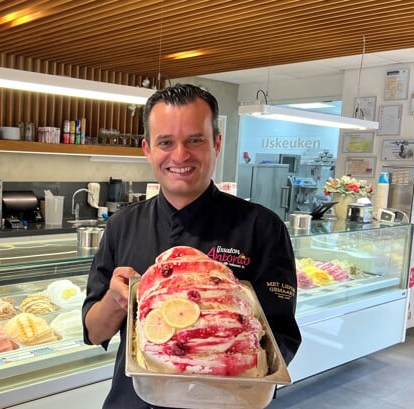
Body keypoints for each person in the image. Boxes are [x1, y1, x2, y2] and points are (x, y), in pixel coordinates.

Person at [82, 84, 301, 409]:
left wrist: (217, 353)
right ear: (147, 149)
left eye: (195, 140)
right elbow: (94, 332)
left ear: (216, 143)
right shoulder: (122, 225)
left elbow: (279, 340)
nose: (180, 155)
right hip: (132, 401)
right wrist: (117, 300)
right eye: (166, 142)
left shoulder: (262, 228)